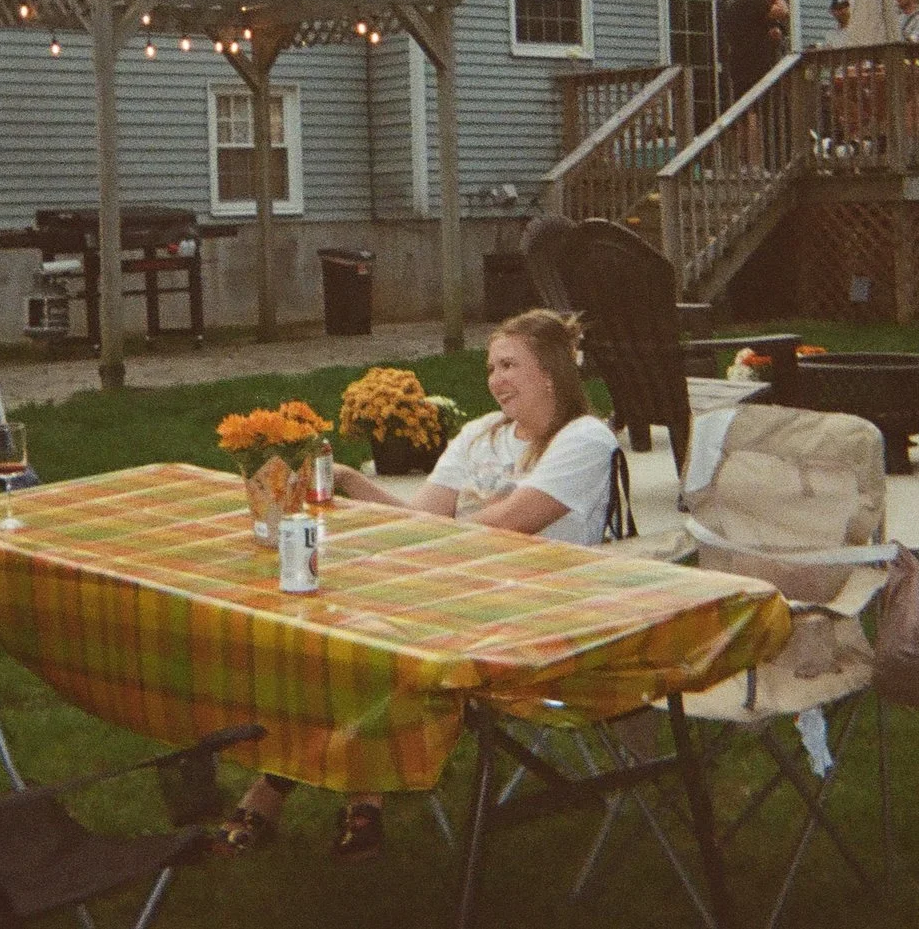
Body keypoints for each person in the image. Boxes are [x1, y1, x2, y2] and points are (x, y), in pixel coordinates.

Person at [219, 309, 619, 864]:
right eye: (491, 367)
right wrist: (355, 483)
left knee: (372, 642)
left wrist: (427, 544)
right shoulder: (480, 432)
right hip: (459, 589)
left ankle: (281, 792)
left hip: (542, 610)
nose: (496, 379)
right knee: (335, 631)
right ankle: (361, 800)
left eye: (510, 366)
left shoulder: (585, 438)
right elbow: (422, 521)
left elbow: (509, 523)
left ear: (550, 373)